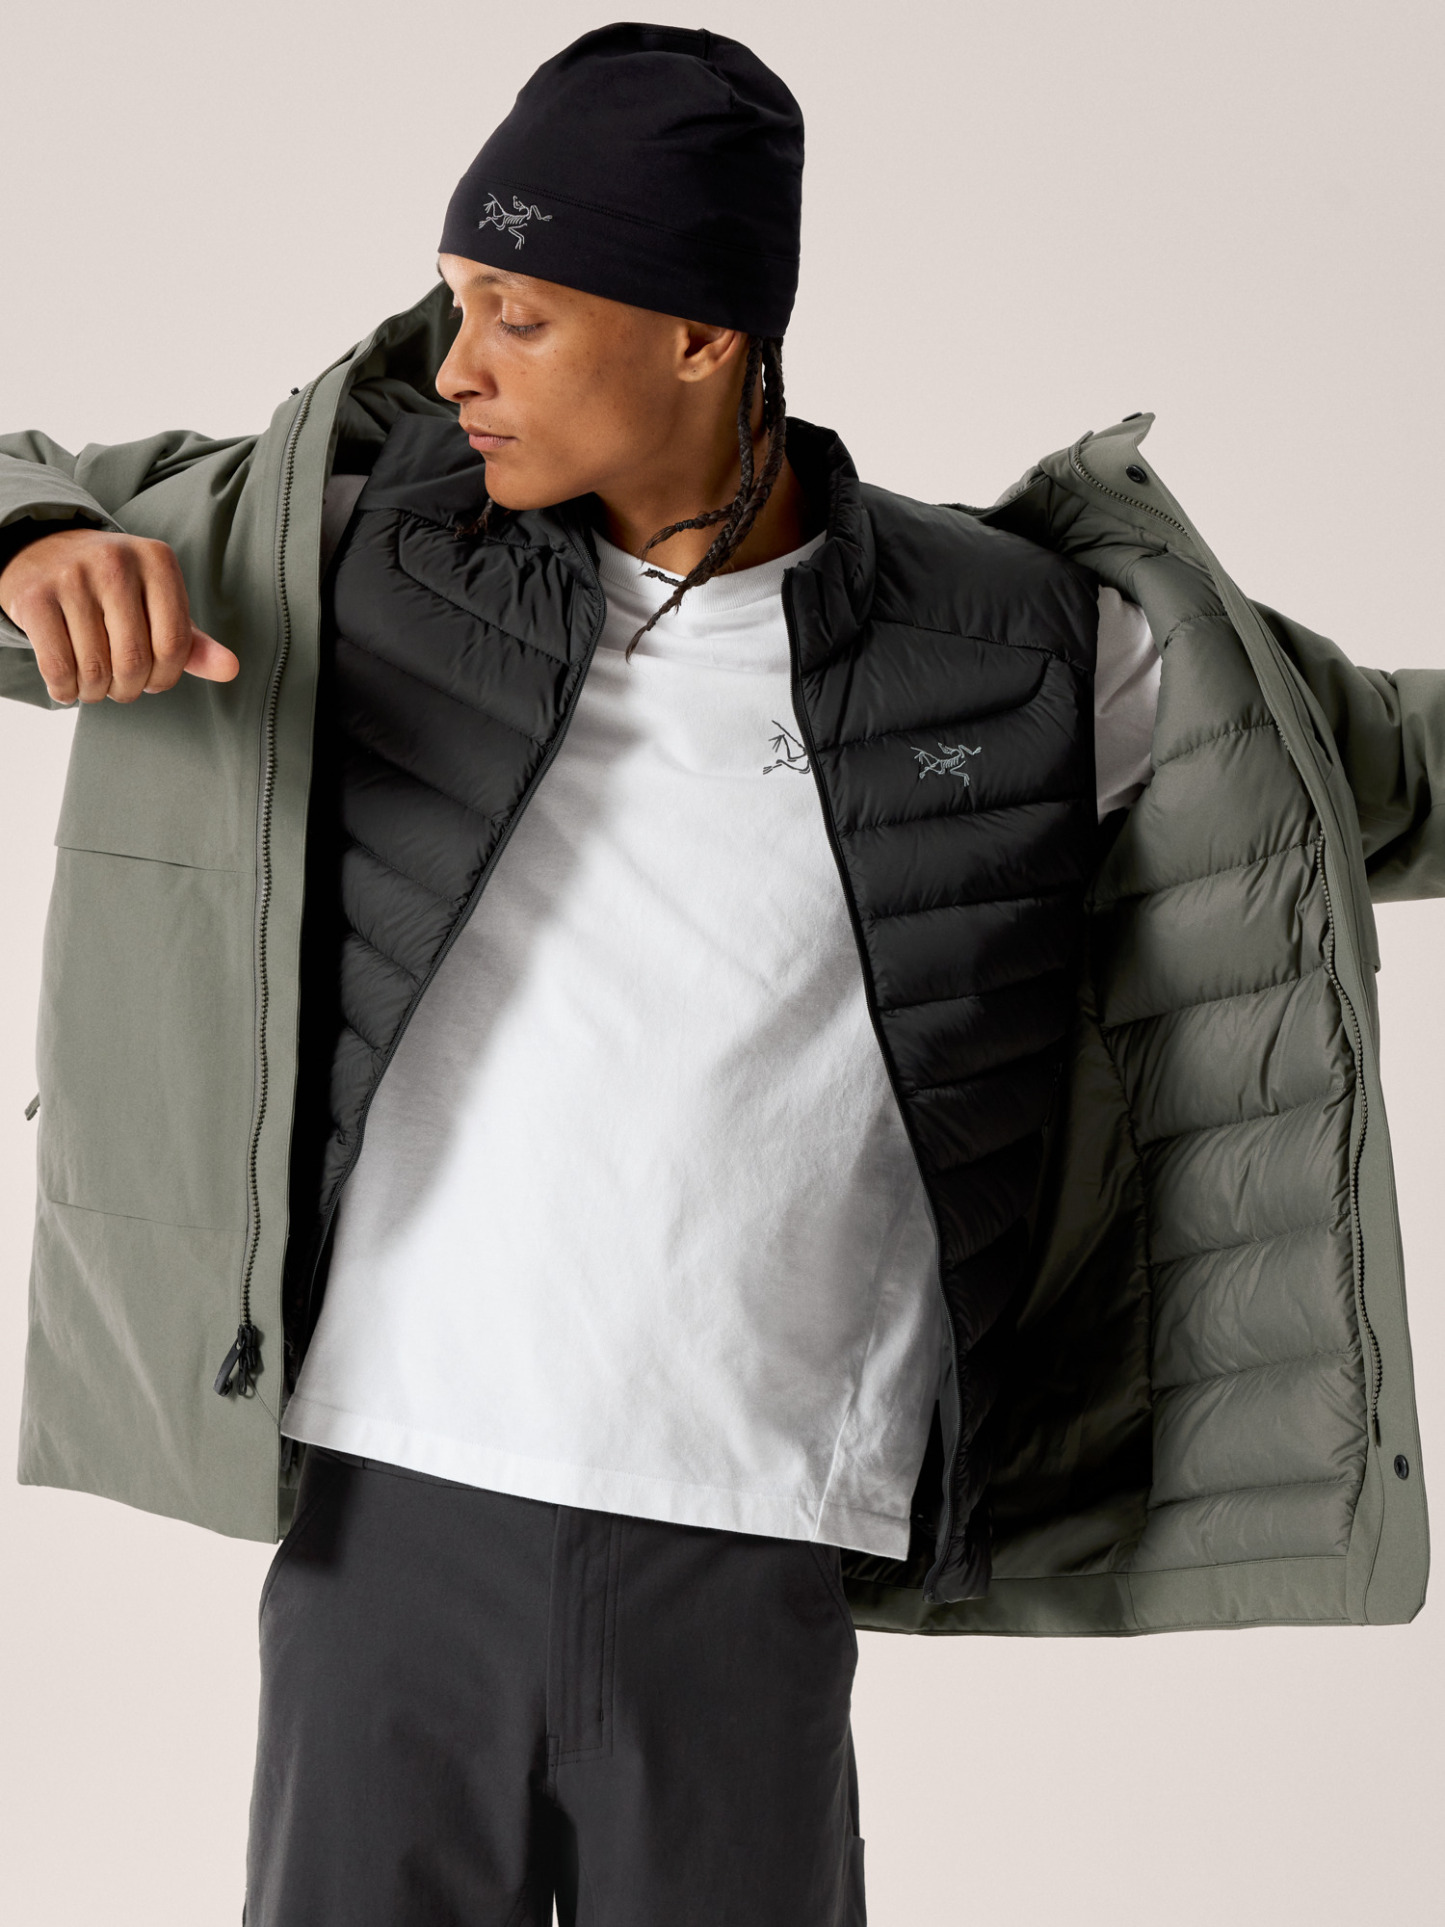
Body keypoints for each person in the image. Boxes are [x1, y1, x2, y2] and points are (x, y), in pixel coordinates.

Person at [0, 21, 1432, 1927]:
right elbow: (32, 505)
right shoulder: (348, 540)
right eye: (455, 301)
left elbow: (1384, 775)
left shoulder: (1030, 645)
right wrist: (36, 543)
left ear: (701, 334)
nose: (455, 364)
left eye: (518, 315)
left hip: (747, 1533)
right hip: (386, 1509)